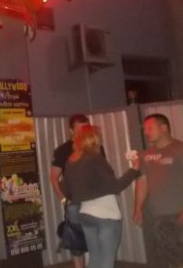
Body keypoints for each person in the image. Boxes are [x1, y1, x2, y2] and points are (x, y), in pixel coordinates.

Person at [62, 124, 141, 268]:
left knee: (95, 260)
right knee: (106, 262)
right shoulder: (95, 158)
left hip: (85, 214)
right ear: (95, 139)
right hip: (106, 214)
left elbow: (66, 190)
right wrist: (134, 169)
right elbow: (115, 187)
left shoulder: (70, 160)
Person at [132, 113, 183, 268]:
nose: (146, 132)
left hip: (177, 213)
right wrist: (138, 208)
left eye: (150, 128)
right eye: (145, 129)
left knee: (178, 257)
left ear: (164, 128)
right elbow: (142, 181)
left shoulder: (180, 149)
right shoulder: (145, 154)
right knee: (165, 258)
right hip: (156, 216)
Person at [50, 114, 92, 268]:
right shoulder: (63, 150)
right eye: (80, 129)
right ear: (71, 130)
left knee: (95, 237)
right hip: (74, 201)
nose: (83, 133)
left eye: (86, 129)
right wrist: (63, 199)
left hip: (95, 200)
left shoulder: (95, 147)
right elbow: (54, 177)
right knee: (76, 243)